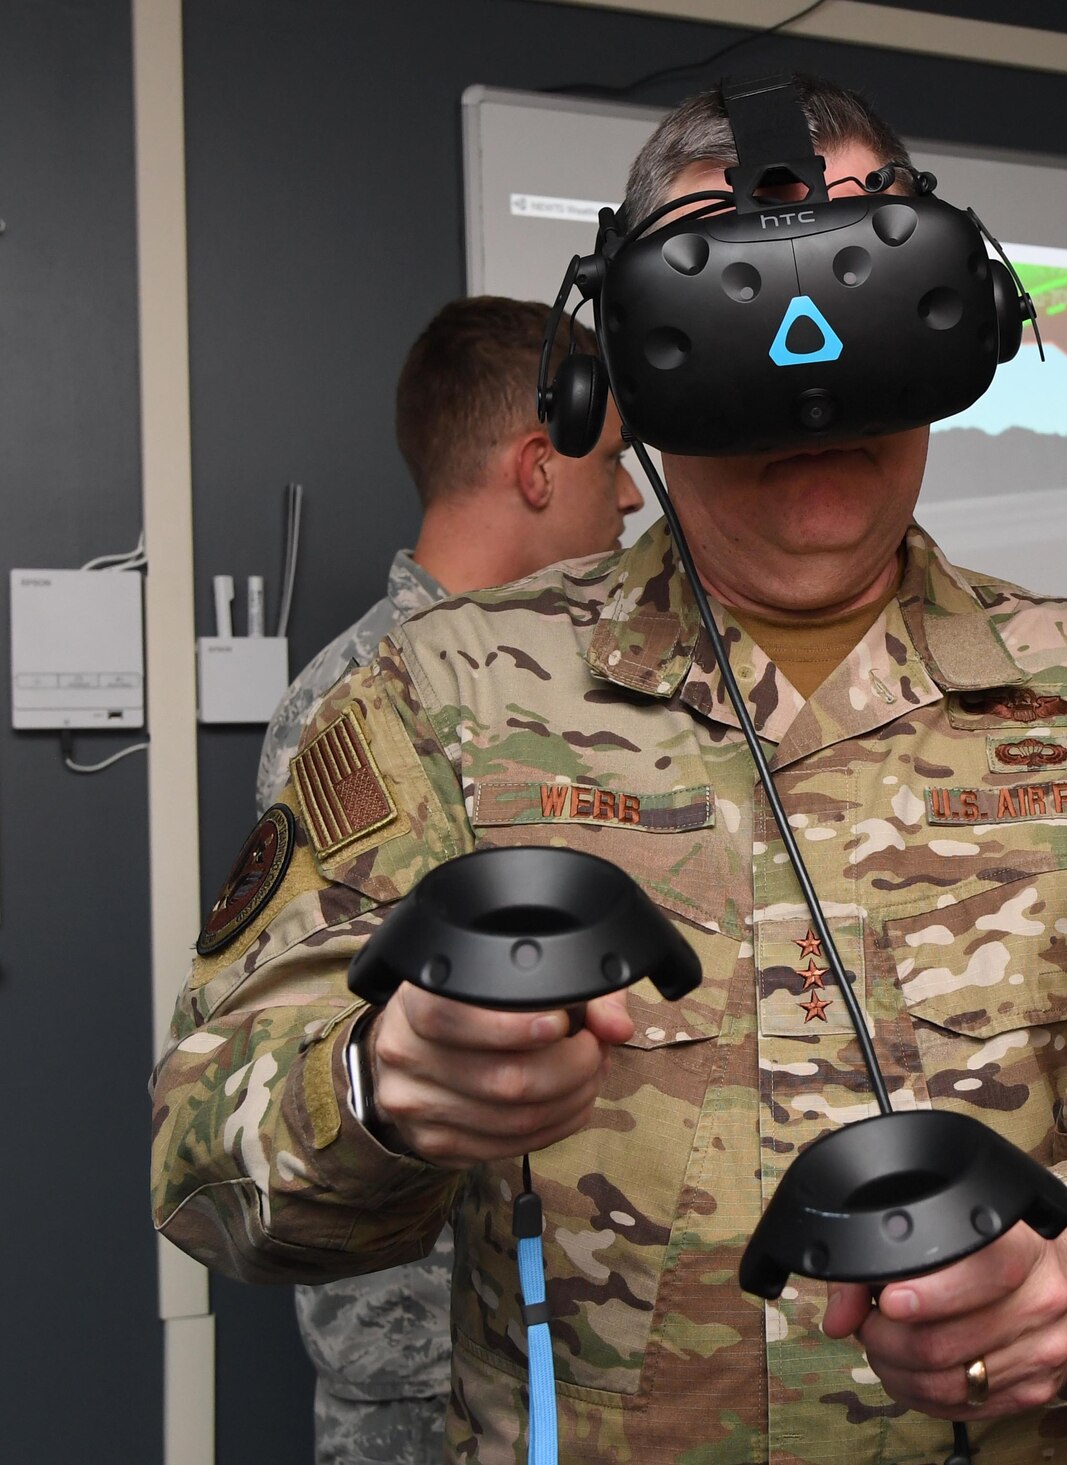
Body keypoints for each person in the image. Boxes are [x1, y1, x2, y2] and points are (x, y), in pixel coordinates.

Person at [153, 76, 1067, 1465]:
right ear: (616, 376)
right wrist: (374, 1085)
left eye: (867, 290)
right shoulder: (444, 699)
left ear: (960, 318)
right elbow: (204, 1152)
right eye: (733, 312)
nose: (809, 373)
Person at [255, 295, 641, 1465]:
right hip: (428, 1361)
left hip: (568, 1338)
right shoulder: (366, 701)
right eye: (615, 462)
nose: (629, 496)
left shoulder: (563, 692)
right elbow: (307, 1047)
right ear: (539, 466)